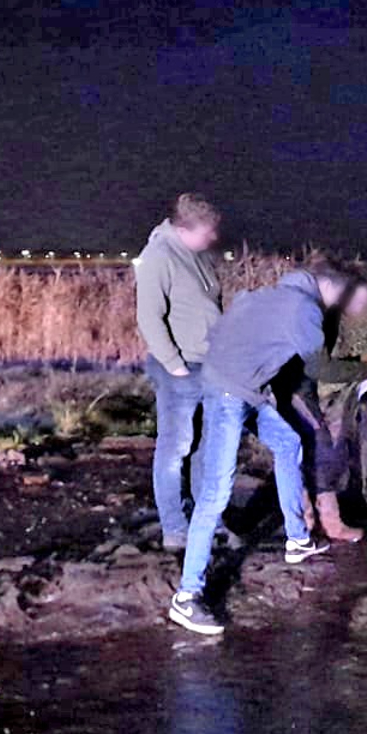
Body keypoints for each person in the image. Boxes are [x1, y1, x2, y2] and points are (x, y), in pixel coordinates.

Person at [167, 259, 360, 635]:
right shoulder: (305, 310)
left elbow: (218, 335)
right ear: (330, 288)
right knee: (217, 493)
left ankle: (298, 539)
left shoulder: (259, 296)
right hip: (230, 395)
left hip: (239, 388)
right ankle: (187, 596)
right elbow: (321, 371)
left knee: (288, 443)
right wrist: (365, 369)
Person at [134, 193, 222, 552]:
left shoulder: (195, 257)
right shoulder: (159, 256)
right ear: (189, 228)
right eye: (209, 231)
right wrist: (174, 365)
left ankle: (206, 522)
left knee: (206, 449)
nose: (213, 238)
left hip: (208, 366)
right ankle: (174, 527)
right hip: (180, 371)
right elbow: (148, 317)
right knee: (175, 449)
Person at [273, 253, 367, 543]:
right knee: (317, 448)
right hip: (289, 386)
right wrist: (365, 367)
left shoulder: (326, 310)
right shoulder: (316, 310)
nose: (365, 307)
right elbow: (318, 366)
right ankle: (314, 522)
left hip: (295, 384)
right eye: (363, 298)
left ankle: (312, 520)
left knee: (313, 449)